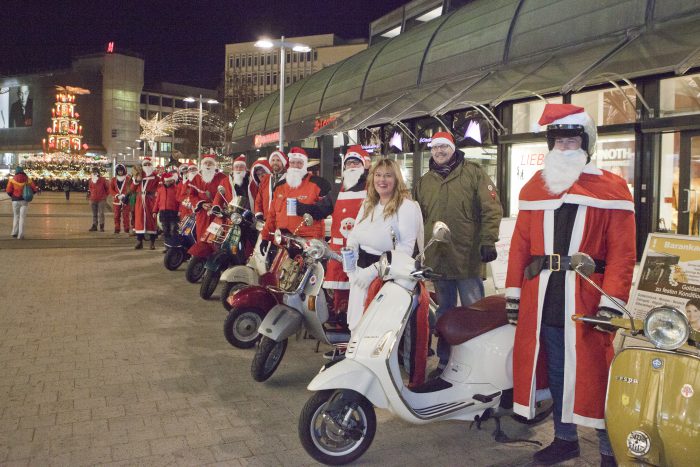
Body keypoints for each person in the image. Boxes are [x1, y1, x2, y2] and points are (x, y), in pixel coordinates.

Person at [505, 104, 636, 467]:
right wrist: (513, 293)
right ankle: (565, 440)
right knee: (558, 370)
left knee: (596, 377)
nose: (564, 145)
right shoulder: (535, 187)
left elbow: (623, 254)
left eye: (571, 138)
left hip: (588, 299)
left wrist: (612, 302)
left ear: (586, 142)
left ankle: (610, 451)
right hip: (543, 297)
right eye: (558, 139)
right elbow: (519, 246)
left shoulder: (612, 188)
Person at [413, 131, 503, 371]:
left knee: (475, 308)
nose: (439, 151)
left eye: (443, 147)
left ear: (452, 148)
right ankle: (445, 360)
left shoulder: (473, 173)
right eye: (434, 148)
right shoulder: (424, 182)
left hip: (468, 256)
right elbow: (417, 219)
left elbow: (491, 208)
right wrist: (416, 252)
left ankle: (478, 360)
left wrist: (488, 240)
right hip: (439, 260)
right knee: (444, 310)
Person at [346, 158, 423, 331]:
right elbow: (353, 237)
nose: (382, 180)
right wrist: (350, 265)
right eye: (378, 175)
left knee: (377, 331)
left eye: (388, 176)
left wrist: (373, 272)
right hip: (360, 275)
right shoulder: (368, 204)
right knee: (357, 326)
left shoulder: (407, 207)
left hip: (387, 280)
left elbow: (404, 250)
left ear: (396, 180)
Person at [322, 146, 370, 323]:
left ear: (363, 165)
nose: (351, 166)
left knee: (359, 288)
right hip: (338, 249)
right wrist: (302, 208)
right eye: (348, 162)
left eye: (355, 162)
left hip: (362, 250)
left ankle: (356, 322)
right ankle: (340, 318)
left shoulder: (372, 188)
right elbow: (322, 208)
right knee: (340, 288)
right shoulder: (336, 191)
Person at [261, 147, 332, 241]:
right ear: (289, 164)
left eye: (299, 163)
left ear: (305, 164)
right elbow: (272, 215)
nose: (295, 165)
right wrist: (265, 237)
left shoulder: (319, 183)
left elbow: (327, 208)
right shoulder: (279, 186)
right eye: (292, 162)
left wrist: (305, 209)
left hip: (308, 242)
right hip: (283, 241)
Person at [190, 154, 233, 244]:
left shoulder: (222, 177)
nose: (208, 165)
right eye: (206, 163)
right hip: (202, 213)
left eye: (210, 163)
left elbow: (228, 194)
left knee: (216, 237)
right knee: (202, 235)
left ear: (214, 165)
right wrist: (201, 204)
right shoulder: (196, 178)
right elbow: (192, 195)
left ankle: (215, 256)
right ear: (202, 164)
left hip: (218, 213)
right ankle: (202, 256)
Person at [132, 157, 161, 250]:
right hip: (140, 201)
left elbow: (159, 189)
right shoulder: (139, 175)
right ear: (143, 166)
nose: (147, 166)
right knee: (139, 220)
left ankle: (152, 243)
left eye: (149, 164)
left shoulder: (156, 177)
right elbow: (132, 189)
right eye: (145, 164)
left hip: (150, 200)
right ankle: (139, 241)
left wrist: (156, 198)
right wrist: (136, 180)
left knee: (151, 221)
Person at [5, 166, 38, 239]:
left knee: (16, 216)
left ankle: (14, 232)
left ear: (16, 172)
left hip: (15, 201)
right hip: (24, 200)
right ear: (22, 171)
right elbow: (35, 189)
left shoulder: (12, 180)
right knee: (22, 217)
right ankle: (21, 234)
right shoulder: (28, 179)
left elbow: (8, 191)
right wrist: (29, 194)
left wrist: (13, 196)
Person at [254, 150, 287, 221]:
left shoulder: (288, 179)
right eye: (273, 160)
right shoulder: (265, 179)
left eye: (278, 160)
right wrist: (259, 215)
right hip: (266, 220)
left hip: (283, 221)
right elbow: (258, 200)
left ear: (283, 162)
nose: (275, 162)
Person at [154, 170, 180, 244]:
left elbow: (179, 201)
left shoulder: (176, 189)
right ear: (164, 181)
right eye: (167, 181)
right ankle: (167, 246)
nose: (168, 182)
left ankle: (173, 246)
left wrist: (179, 211)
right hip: (163, 212)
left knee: (173, 230)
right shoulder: (160, 190)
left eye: (170, 181)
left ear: (172, 181)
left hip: (173, 212)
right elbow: (157, 201)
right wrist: (154, 211)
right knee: (165, 231)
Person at [109, 164, 131, 234]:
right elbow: (111, 189)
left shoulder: (128, 179)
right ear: (117, 171)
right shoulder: (113, 179)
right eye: (119, 171)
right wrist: (117, 195)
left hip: (125, 199)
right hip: (116, 200)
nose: (120, 172)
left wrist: (124, 194)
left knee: (126, 215)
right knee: (116, 215)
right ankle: (117, 228)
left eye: (121, 171)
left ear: (124, 171)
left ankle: (126, 228)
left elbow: (130, 188)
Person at [87, 167, 109, 232]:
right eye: (93, 172)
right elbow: (90, 188)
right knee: (94, 214)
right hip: (93, 199)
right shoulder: (91, 180)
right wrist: (90, 196)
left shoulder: (103, 180)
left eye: (95, 172)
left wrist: (105, 196)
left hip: (101, 199)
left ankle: (101, 226)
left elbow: (108, 188)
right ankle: (94, 226)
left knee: (101, 213)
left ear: (98, 173)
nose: (94, 173)